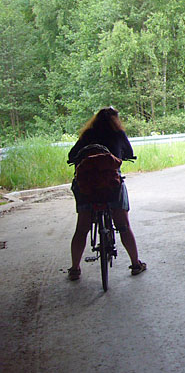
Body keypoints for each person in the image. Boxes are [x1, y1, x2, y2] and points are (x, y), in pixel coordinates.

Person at [66, 107, 146, 281]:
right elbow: (129, 153)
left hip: (86, 187)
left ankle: (74, 269)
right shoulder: (118, 134)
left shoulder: (87, 135)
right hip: (111, 186)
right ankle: (135, 264)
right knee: (123, 226)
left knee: (81, 229)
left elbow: (72, 155)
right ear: (116, 120)